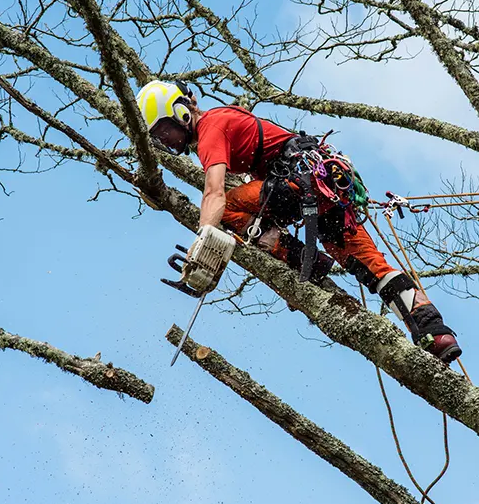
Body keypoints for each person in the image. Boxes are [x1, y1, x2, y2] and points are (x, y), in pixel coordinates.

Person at [136, 80, 462, 363]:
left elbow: (214, 193)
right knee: (372, 270)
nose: (169, 141)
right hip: (324, 193)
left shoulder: (210, 128)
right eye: (161, 138)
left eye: (167, 131)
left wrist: (201, 248)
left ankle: (297, 256)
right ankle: (435, 332)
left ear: (181, 111)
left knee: (231, 209)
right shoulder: (229, 116)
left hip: (298, 185)